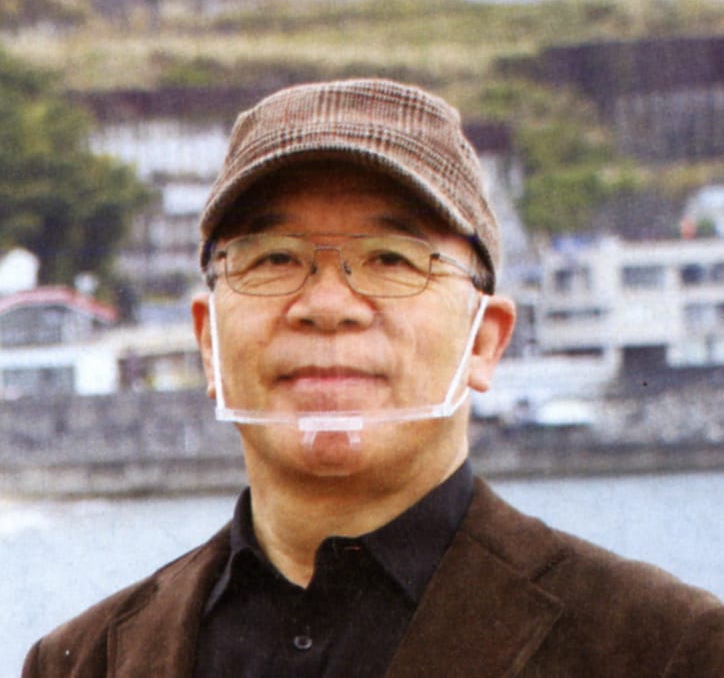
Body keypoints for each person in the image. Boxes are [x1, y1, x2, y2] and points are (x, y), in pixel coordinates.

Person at [23, 79, 723, 677]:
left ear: (484, 341)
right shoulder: (82, 660)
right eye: (274, 258)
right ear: (208, 341)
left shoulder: (666, 648)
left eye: (392, 259)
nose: (328, 306)